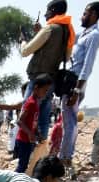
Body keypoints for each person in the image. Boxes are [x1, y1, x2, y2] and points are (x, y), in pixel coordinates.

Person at [20, 0, 75, 140]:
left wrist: (22, 40)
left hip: (37, 80)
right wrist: (40, 33)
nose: (45, 14)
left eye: (48, 11)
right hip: (52, 80)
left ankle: (26, 149)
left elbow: (25, 51)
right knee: (44, 117)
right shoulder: (67, 31)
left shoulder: (49, 29)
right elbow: (66, 57)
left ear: (54, 10)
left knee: (27, 115)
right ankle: (41, 148)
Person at [60, 2, 99, 166]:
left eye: (85, 13)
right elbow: (69, 41)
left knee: (70, 122)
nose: (81, 16)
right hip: (70, 80)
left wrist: (77, 89)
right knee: (67, 120)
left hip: (75, 83)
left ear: (93, 14)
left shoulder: (94, 36)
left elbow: (87, 64)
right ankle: (64, 155)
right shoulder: (84, 34)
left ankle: (65, 158)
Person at [0, 74, 54, 173]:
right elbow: (20, 121)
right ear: (36, 88)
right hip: (24, 139)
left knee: (25, 164)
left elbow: (34, 122)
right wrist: (30, 133)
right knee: (22, 166)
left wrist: (37, 133)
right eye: (45, 90)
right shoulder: (30, 103)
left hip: (29, 139)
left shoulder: (36, 103)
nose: (46, 93)